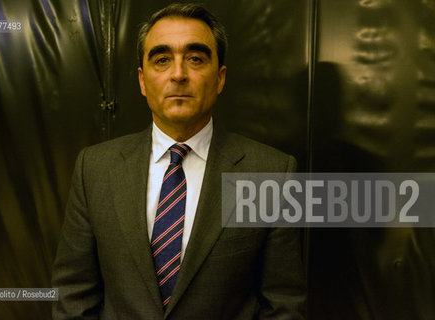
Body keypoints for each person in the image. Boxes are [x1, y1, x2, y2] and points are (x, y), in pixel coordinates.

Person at [52, 3, 306, 319]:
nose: (178, 74)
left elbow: (283, 305)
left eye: (196, 59)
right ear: (143, 81)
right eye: (162, 60)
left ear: (220, 78)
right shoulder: (96, 169)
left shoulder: (270, 173)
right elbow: (74, 296)